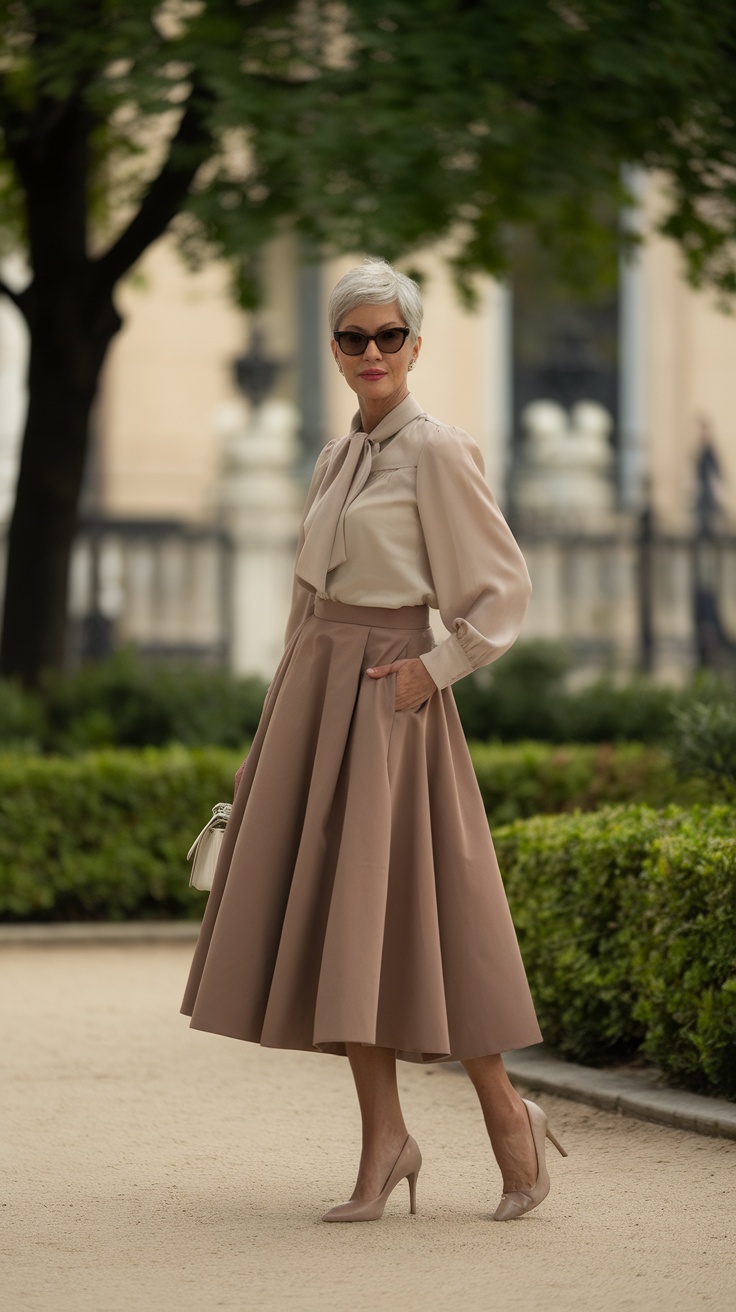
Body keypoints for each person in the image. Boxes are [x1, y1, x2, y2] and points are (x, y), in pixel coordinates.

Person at [181, 257, 566, 1223]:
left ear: (416, 344)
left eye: (389, 336)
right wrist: (273, 730)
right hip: (317, 698)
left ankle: (507, 1117)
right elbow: (307, 604)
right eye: (353, 338)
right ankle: (385, 1143)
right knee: (345, 934)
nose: (372, 354)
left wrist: (429, 673)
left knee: (430, 926)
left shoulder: (438, 452)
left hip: (391, 704)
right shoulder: (333, 456)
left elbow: (501, 592)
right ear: (335, 347)